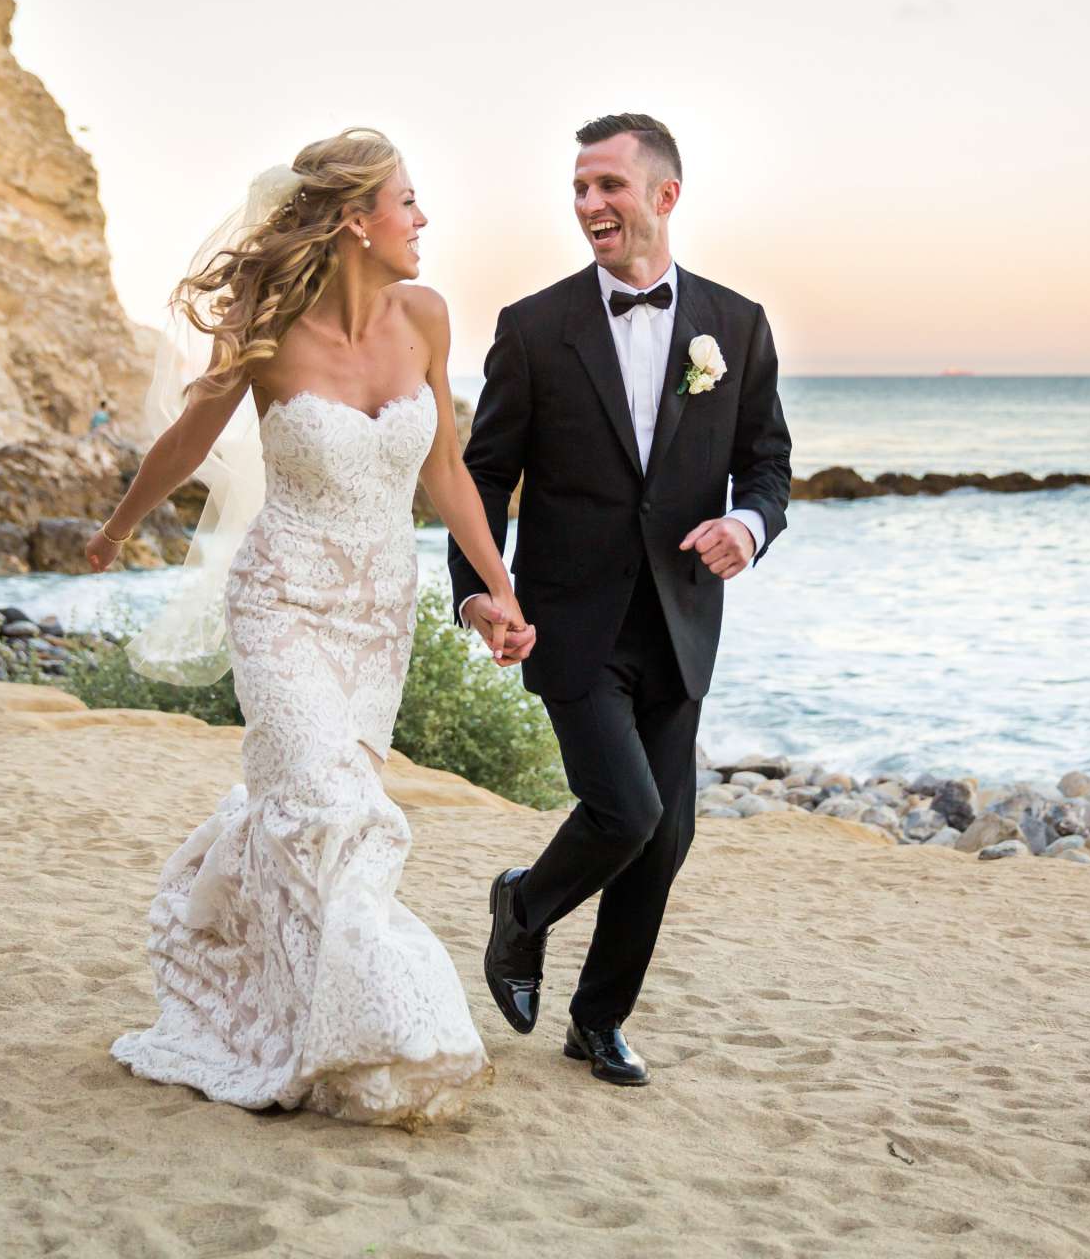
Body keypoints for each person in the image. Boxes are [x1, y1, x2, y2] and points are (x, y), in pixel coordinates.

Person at [81, 127, 522, 1127]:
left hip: (378, 621)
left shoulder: (427, 318)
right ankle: (388, 1035)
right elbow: (193, 434)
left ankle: (311, 1013)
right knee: (335, 815)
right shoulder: (267, 326)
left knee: (315, 814)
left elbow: (444, 468)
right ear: (355, 219)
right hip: (281, 605)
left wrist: (499, 588)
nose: (422, 221)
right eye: (407, 202)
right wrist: (118, 526)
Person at [448, 112, 791, 1087]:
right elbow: (484, 476)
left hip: (682, 621)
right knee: (627, 808)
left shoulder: (738, 324)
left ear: (665, 196)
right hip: (572, 617)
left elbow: (768, 460)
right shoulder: (534, 326)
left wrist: (748, 528)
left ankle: (597, 1021)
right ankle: (522, 907)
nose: (590, 204)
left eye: (609, 186)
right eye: (580, 188)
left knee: (667, 835)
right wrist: (481, 592)